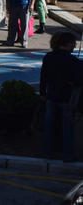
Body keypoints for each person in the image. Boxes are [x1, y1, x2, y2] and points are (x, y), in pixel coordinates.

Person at [40, 31, 83, 162]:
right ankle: (67, 154)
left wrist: (42, 93)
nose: (74, 46)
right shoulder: (73, 61)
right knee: (67, 127)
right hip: (67, 97)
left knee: (49, 125)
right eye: (73, 44)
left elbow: (44, 77)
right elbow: (79, 80)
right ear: (68, 44)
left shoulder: (48, 57)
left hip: (51, 95)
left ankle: (47, 151)